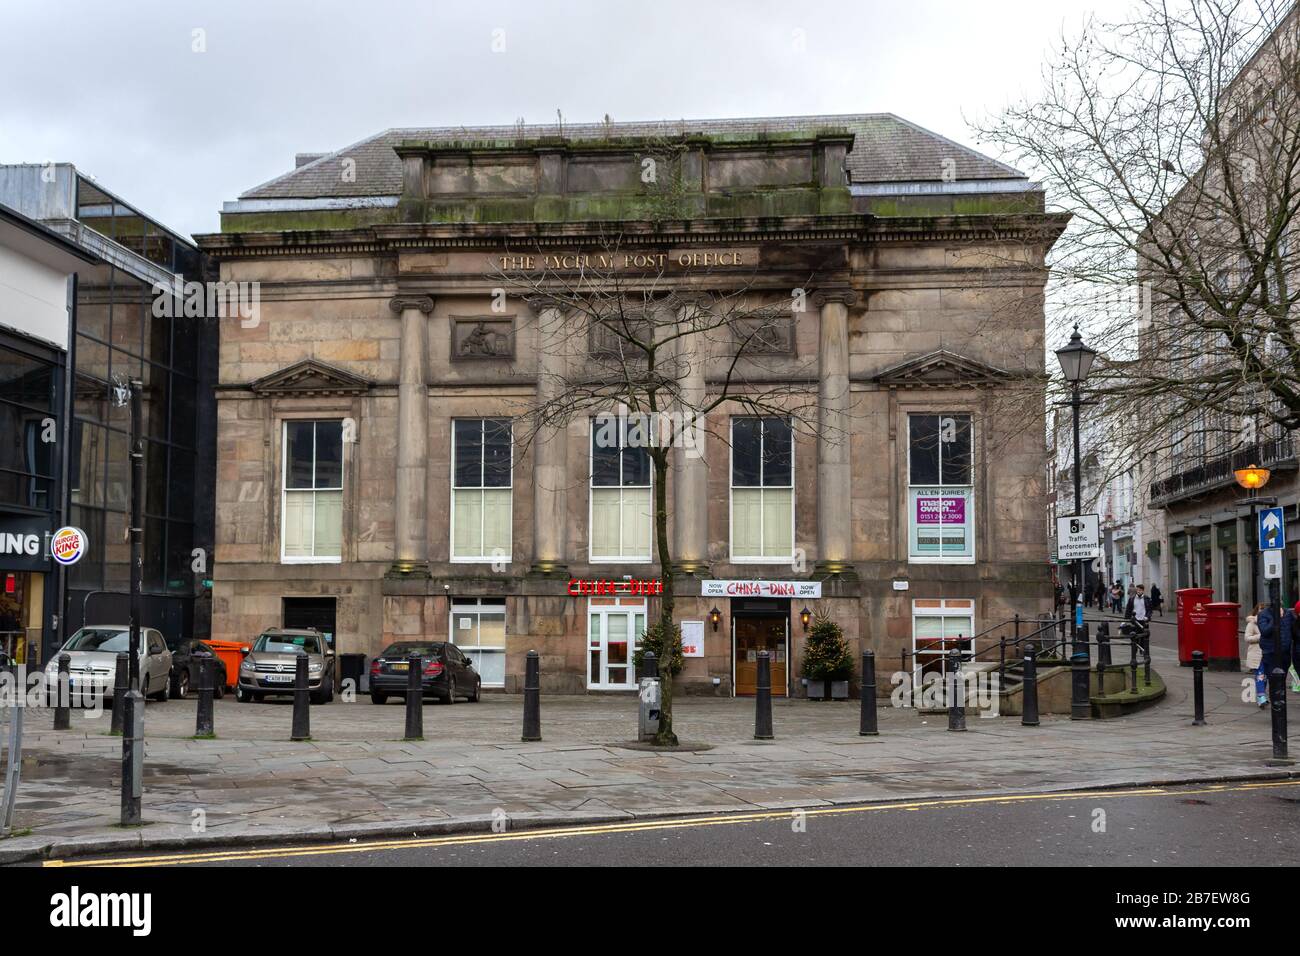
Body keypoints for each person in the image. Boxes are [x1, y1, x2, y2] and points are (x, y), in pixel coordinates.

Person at [1245, 608, 1266, 707]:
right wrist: (1260, 636)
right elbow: (1247, 638)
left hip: (1268, 653)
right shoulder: (1252, 623)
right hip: (1257, 654)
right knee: (1260, 675)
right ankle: (1261, 697)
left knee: (1265, 677)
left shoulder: (1270, 622)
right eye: (1260, 610)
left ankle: (1261, 695)